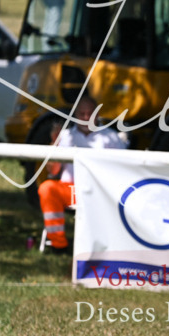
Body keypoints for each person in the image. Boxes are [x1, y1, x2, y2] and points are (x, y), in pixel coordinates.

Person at [38, 93, 127, 254]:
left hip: (100, 191)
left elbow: (123, 169)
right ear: (75, 115)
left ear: (97, 114)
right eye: (82, 114)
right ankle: (59, 245)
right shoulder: (65, 136)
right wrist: (55, 144)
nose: (86, 118)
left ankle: (106, 247)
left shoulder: (111, 138)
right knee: (47, 188)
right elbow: (53, 170)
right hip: (71, 190)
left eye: (90, 114)